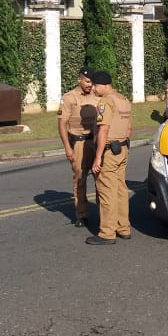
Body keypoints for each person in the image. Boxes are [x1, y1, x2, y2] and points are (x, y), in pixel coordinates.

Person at [85, 70, 133, 245]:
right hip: (122, 149)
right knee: (120, 189)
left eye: (95, 86)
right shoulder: (124, 100)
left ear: (104, 85)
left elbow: (103, 130)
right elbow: (129, 127)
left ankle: (107, 232)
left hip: (109, 151)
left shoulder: (106, 102)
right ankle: (123, 227)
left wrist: (98, 157)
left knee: (107, 191)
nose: (93, 89)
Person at [57, 67, 101, 226]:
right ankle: (82, 214)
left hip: (95, 141)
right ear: (79, 80)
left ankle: (104, 213)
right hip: (79, 142)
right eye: (88, 81)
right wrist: (68, 148)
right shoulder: (69, 97)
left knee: (100, 178)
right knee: (80, 178)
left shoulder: (97, 95)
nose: (91, 85)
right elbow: (62, 124)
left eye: (92, 82)